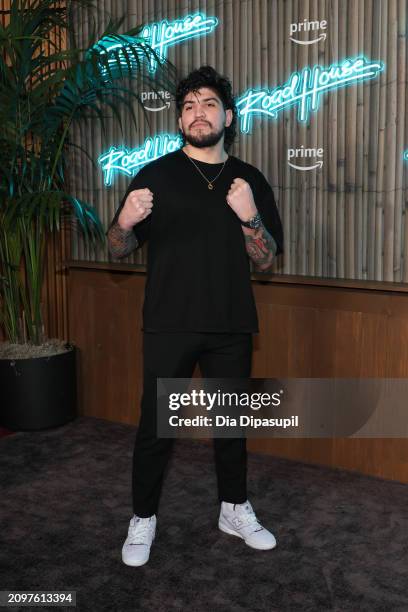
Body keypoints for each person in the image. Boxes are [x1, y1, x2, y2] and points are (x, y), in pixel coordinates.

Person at [106, 65, 283, 567]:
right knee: (155, 427)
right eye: (187, 105)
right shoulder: (155, 176)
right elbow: (117, 247)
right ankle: (143, 518)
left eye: (207, 103)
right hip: (169, 322)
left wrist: (249, 215)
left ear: (228, 116)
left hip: (230, 323)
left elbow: (267, 260)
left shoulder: (249, 179)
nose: (197, 112)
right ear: (179, 120)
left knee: (231, 425)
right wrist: (124, 220)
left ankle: (234, 508)